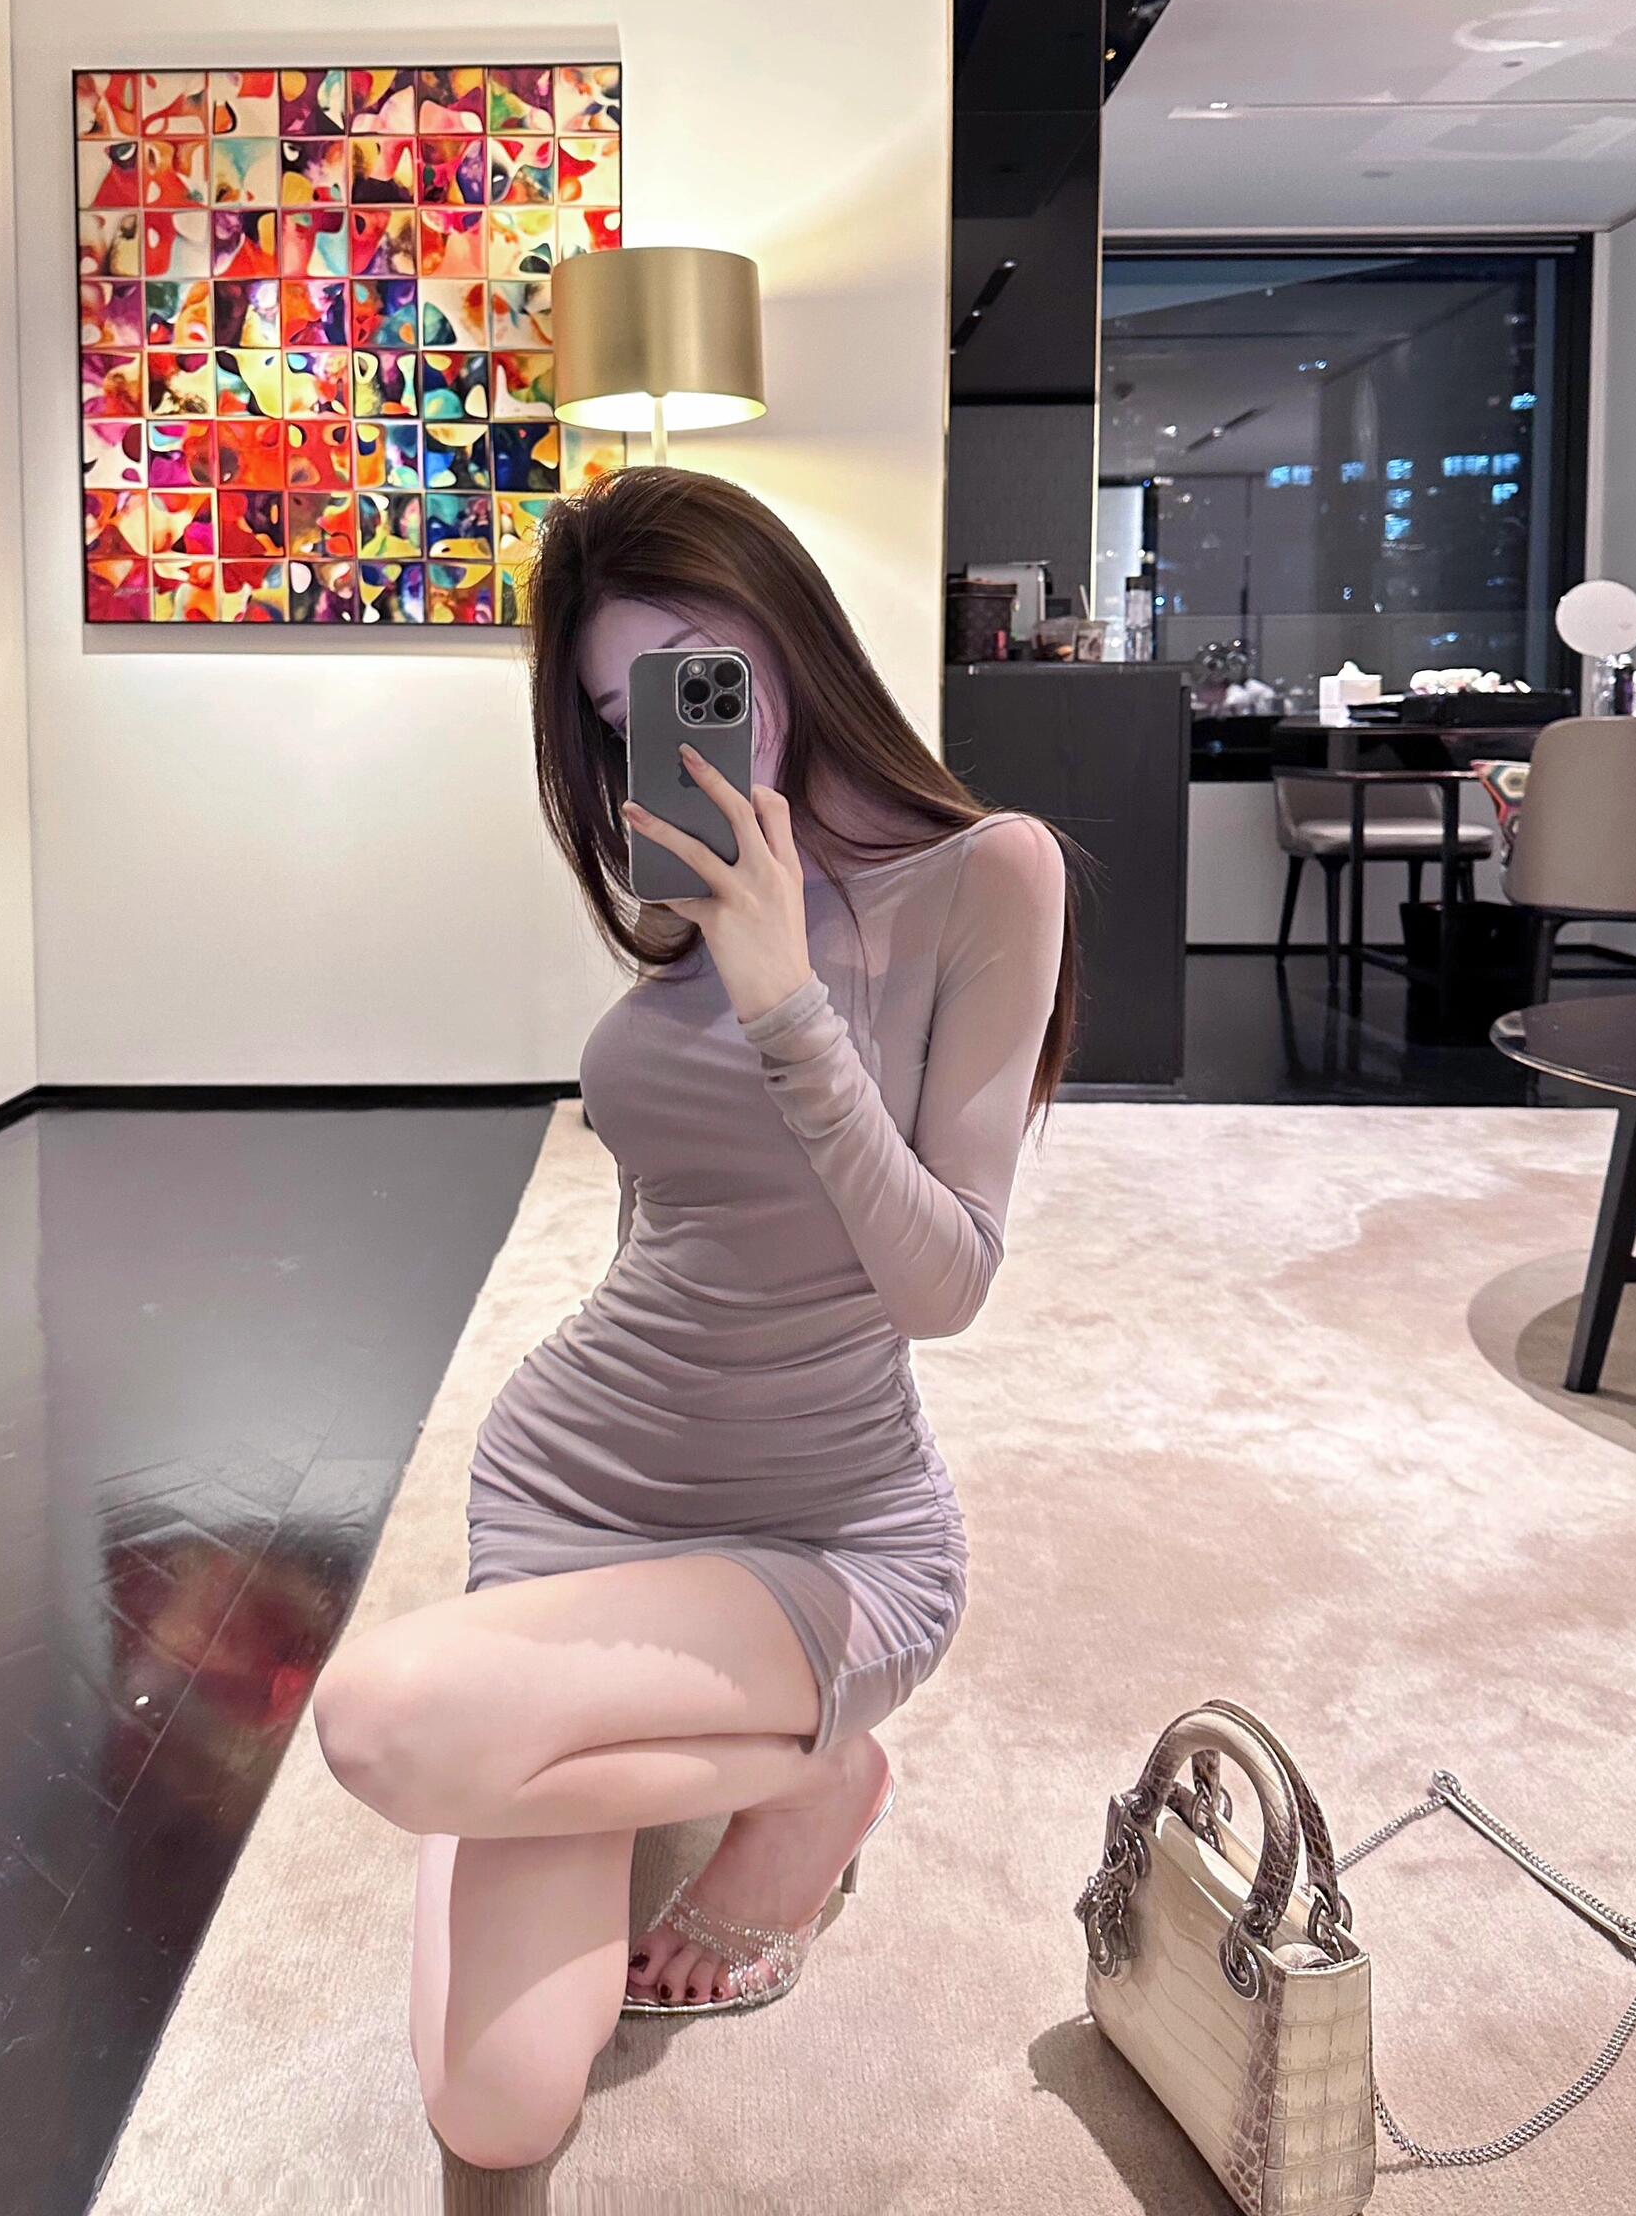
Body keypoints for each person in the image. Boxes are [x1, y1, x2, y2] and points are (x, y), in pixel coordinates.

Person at [314, 466, 1074, 2172]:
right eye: (618, 714)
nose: (666, 730)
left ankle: (789, 1770)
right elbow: (671, 1209)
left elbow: (945, 1285)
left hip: (825, 1532)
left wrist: (786, 999)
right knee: (498, 2109)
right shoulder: (681, 897)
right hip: (577, 1489)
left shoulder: (989, 877)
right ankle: (751, 1768)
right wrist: (723, 944)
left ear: (784, 628)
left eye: (694, 672)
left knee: (380, 1722)